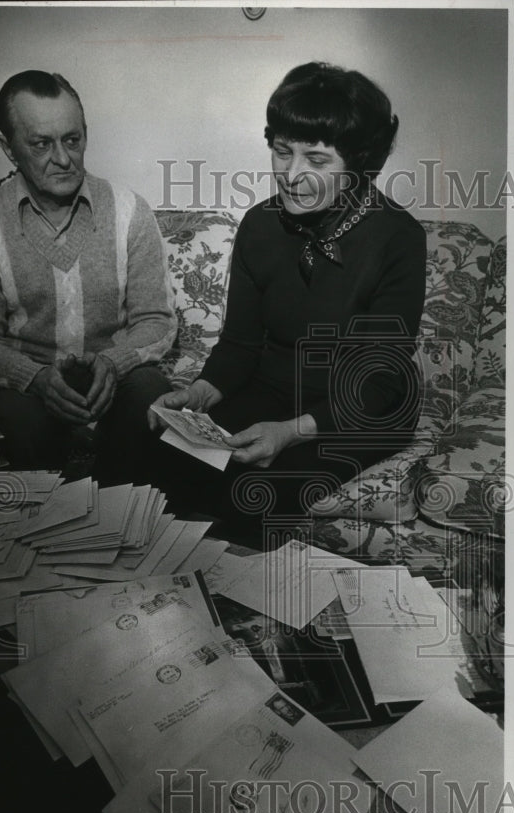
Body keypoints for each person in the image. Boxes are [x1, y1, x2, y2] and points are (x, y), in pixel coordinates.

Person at [148, 62, 426, 535]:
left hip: (364, 408)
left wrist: (289, 432)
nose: (291, 175)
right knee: (162, 463)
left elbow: (378, 383)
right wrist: (198, 394)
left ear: (358, 165)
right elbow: (239, 346)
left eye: (316, 161)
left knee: (257, 497)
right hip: (274, 389)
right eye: (282, 152)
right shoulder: (259, 225)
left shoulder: (399, 239)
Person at [0, 71, 175, 473]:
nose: (63, 158)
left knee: (151, 393)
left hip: (115, 375)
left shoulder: (129, 211)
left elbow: (156, 320)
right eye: (41, 144)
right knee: (24, 427)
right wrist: (35, 378)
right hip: (30, 384)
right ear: (9, 148)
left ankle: (126, 525)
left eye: (72, 140)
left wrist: (114, 363)